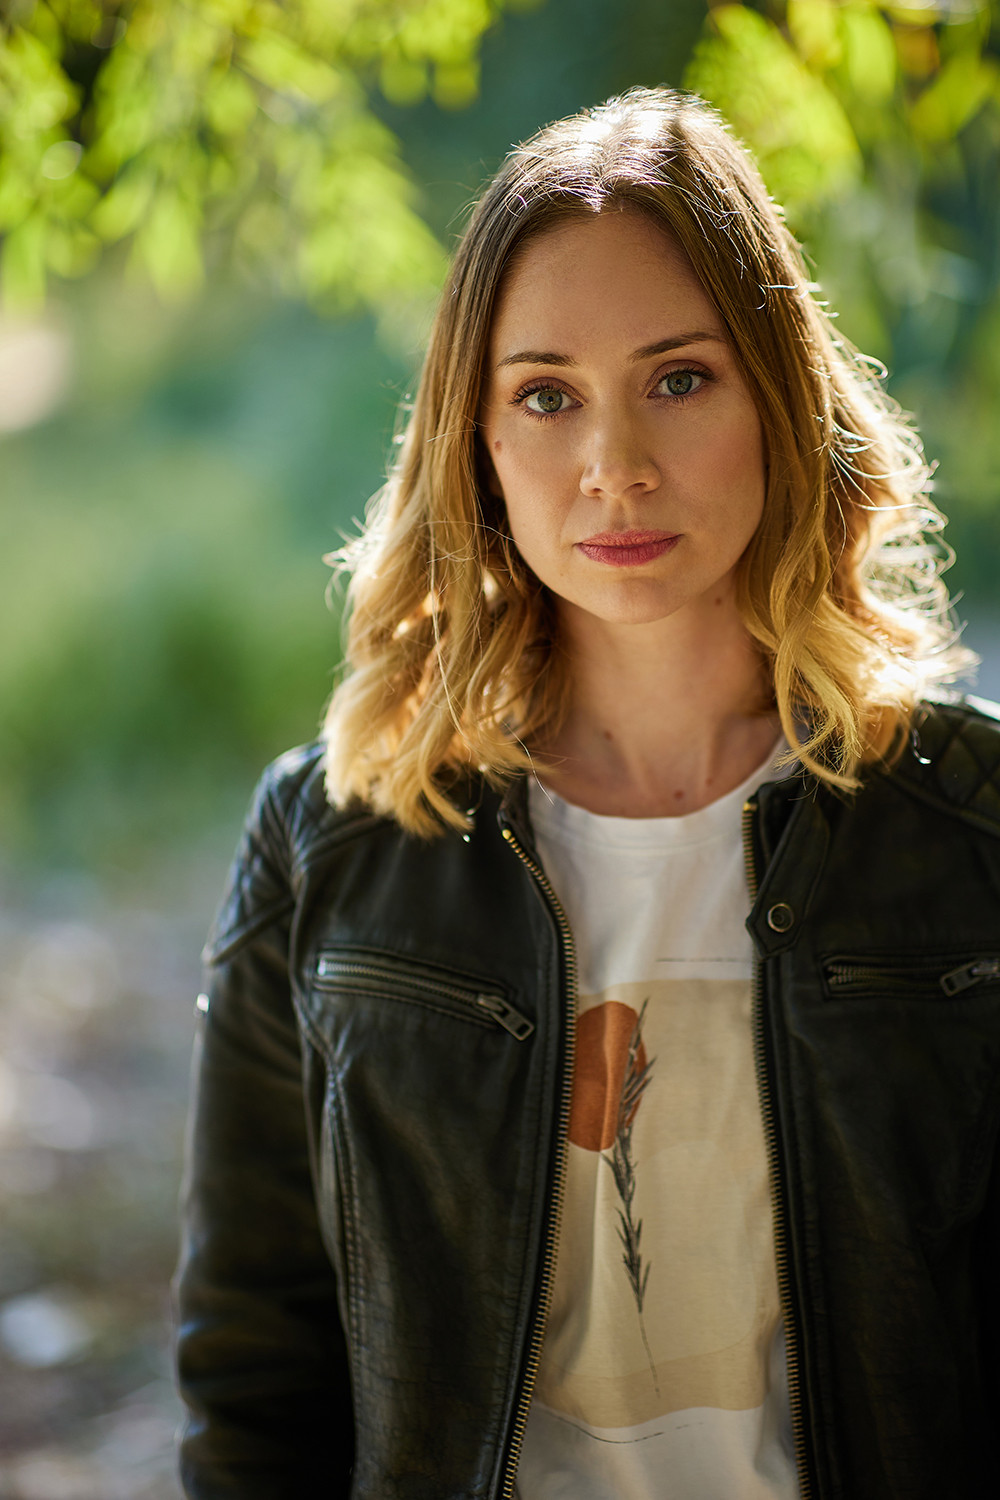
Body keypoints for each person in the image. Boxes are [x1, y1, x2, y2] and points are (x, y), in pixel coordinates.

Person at [173, 87, 1000, 1500]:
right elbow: (256, 1374)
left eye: (679, 379)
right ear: (479, 446)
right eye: (546, 396)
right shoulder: (334, 844)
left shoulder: (971, 829)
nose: (616, 467)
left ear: (778, 400)